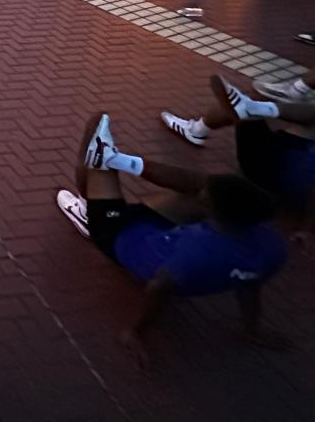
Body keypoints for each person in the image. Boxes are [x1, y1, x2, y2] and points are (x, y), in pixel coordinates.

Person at [55, 112, 287, 363]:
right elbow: (250, 281)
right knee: (197, 189)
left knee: (95, 149)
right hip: (162, 232)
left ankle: (87, 209)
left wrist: (135, 332)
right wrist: (252, 329)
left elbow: (158, 288)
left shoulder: (191, 256)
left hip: (119, 231)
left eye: (207, 197)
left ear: (213, 208)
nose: (204, 196)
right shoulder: (270, 246)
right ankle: (117, 161)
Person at [161, 75, 315, 232]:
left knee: (240, 109)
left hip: (272, 169)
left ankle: (204, 127)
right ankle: (255, 108)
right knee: (246, 108)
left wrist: (306, 229)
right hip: (289, 155)